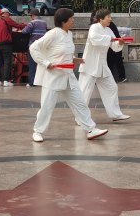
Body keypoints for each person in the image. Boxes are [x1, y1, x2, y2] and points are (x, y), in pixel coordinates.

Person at [29, 8, 108, 142]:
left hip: (68, 77)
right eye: (71, 18)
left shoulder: (69, 34)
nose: (73, 20)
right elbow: (33, 48)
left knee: (80, 103)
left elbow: (63, 52)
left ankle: (90, 129)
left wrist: (73, 59)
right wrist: (46, 62)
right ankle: (38, 131)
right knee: (47, 106)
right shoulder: (53, 34)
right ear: (63, 21)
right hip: (53, 76)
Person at [76, 9, 130, 124]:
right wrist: (109, 39)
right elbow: (94, 39)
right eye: (108, 17)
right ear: (101, 19)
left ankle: (115, 114)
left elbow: (114, 46)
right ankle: (79, 117)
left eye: (110, 16)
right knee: (85, 92)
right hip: (90, 64)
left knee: (112, 87)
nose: (110, 19)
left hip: (102, 65)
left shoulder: (109, 30)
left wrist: (119, 43)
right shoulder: (94, 27)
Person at [0, 8, 26, 87]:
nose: (9, 15)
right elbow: (18, 25)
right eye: (8, 14)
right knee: (7, 62)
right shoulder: (7, 19)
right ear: (6, 13)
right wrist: (25, 25)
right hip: (6, 43)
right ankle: (6, 80)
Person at [21, 8, 48, 87]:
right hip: (42, 46)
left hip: (33, 46)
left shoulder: (32, 23)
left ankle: (32, 82)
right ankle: (42, 81)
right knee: (42, 64)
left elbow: (24, 31)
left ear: (33, 16)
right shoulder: (44, 22)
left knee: (32, 64)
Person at [107, 17, 127, 83]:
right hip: (112, 46)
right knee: (112, 62)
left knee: (116, 62)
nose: (110, 19)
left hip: (114, 45)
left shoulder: (109, 25)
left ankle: (122, 77)